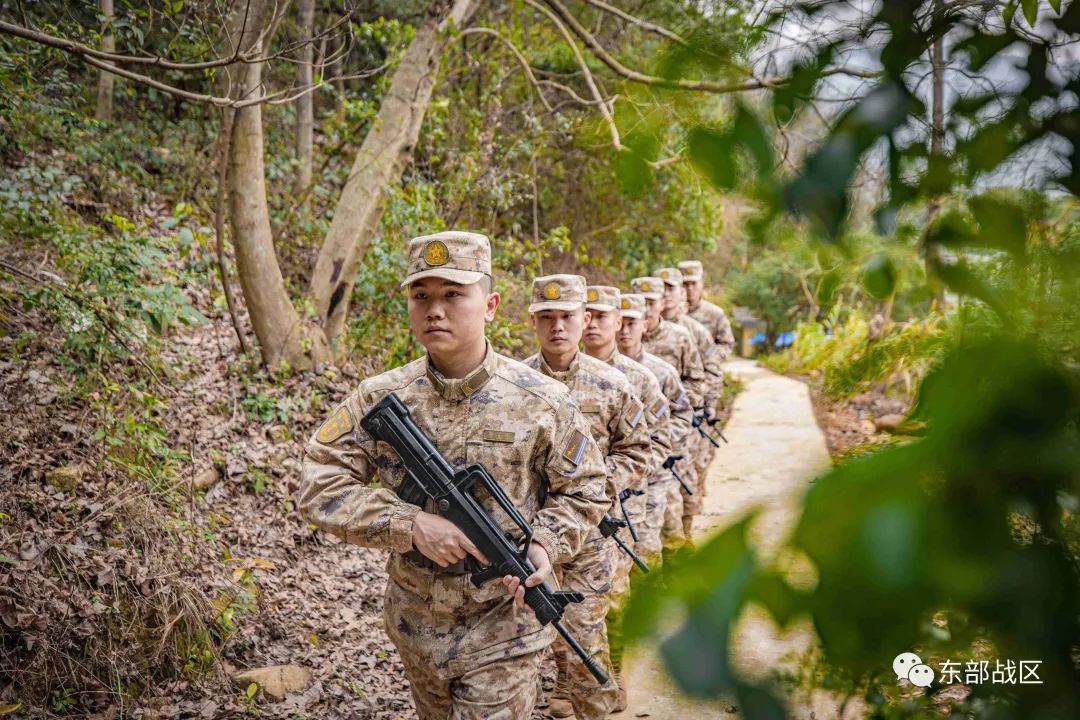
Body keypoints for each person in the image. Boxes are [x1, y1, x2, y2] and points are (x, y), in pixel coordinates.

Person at [299, 231, 609, 720]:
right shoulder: (380, 396)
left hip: (505, 626)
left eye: (453, 294)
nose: (434, 310)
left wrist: (545, 544)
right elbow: (320, 484)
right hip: (416, 627)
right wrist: (409, 524)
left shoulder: (543, 400)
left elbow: (588, 487)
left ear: (490, 306)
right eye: (421, 296)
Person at [523, 274, 652, 720]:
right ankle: (566, 692)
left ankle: (596, 704)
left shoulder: (613, 384)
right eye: (548, 317)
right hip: (527, 534)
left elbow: (637, 453)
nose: (558, 326)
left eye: (567, 317)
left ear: (586, 320)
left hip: (588, 537)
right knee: (540, 643)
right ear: (533, 322)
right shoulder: (512, 385)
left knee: (585, 641)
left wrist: (592, 489)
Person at [582, 284, 670, 714]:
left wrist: (605, 484)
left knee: (612, 596)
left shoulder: (639, 379)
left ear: (619, 322)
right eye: (589, 314)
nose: (594, 323)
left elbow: (656, 442)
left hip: (621, 506)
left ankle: (614, 672)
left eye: (604, 316)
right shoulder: (541, 376)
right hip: (557, 511)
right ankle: (566, 684)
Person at [616, 293, 696, 555]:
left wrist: (653, 454)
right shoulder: (598, 372)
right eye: (622, 323)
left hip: (654, 472)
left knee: (653, 543)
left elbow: (682, 414)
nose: (626, 331)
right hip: (613, 476)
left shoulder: (659, 373)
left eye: (633, 323)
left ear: (645, 325)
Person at [630, 275, 707, 538]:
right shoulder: (618, 340)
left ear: (662, 303)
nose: (648, 308)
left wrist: (670, 436)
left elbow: (696, 381)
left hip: (669, 437)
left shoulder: (681, 336)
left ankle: (683, 541)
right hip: (631, 449)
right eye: (643, 303)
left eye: (652, 302)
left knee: (676, 501)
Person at [655, 267, 724, 495]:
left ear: (681, 292)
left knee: (687, 474)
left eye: (670, 288)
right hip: (652, 420)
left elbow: (710, 369)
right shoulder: (637, 329)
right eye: (661, 288)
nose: (665, 293)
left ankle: (687, 528)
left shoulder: (693, 330)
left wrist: (708, 404)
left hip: (685, 413)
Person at [679, 259, 736, 360]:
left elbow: (727, 344)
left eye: (694, 283)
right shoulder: (668, 313)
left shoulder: (714, 313)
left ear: (702, 284)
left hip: (705, 370)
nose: (690, 288)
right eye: (685, 284)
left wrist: (707, 357)